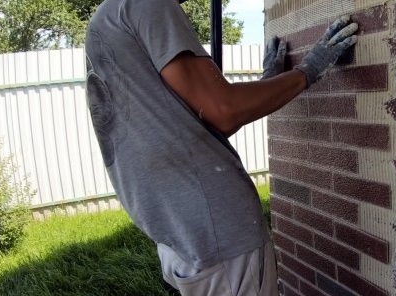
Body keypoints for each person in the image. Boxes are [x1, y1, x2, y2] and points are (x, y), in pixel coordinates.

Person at [84, 0, 358, 294]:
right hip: (219, 236)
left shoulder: (109, 18)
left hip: (182, 237)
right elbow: (223, 111)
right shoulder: (149, 4)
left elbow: (197, 119)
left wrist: (269, 83)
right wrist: (309, 69)